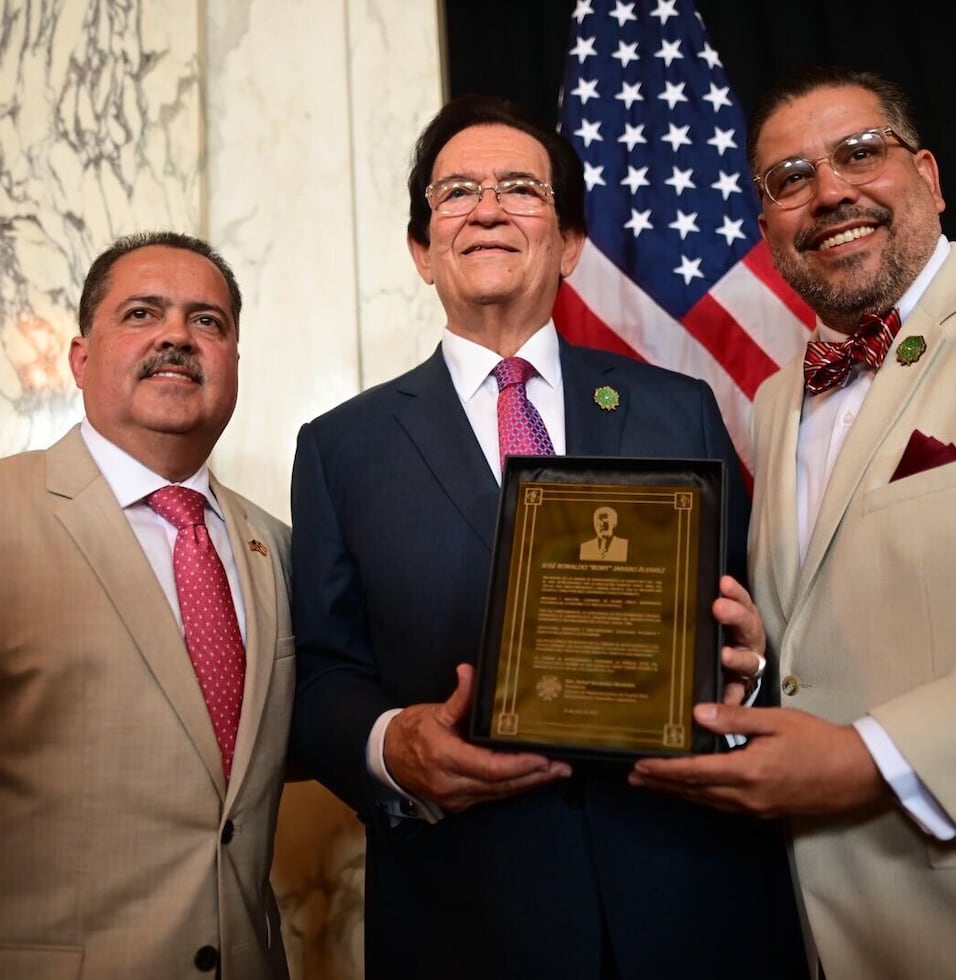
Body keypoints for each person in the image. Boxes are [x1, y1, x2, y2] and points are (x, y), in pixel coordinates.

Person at [289, 94, 806, 980]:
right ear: (421, 251)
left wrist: (750, 671)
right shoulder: (341, 447)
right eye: (456, 194)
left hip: (690, 897)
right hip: (466, 911)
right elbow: (325, 672)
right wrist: (391, 745)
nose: (486, 208)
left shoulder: (677, 408)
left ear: (568, 244)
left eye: (519, 188)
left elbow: (745, 623)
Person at [629, 66, 956, 979]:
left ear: (928, 174)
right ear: (766, 224)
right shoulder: (777, 399)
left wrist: (868, 759)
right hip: (811, 924)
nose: (832, 192)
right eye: (791, 178)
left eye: (860, 153)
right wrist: (752, 667)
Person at [0, 231, 295, 980]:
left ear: (235, 366)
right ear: (81, 360)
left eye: (207, 321)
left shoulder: (278, 548)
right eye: (143, 314)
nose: (177, 336)